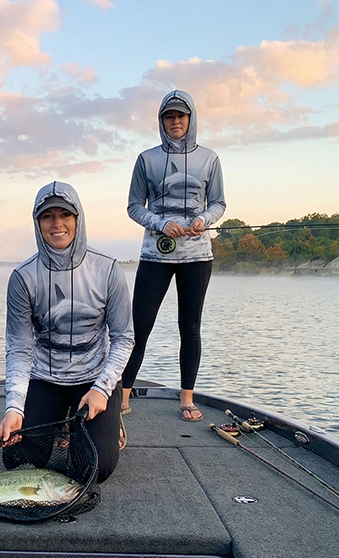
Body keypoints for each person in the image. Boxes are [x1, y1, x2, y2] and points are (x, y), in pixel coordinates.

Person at [0, 181, 135, 482]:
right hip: (46, 377)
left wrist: (102, 389)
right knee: (18, 460)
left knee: (95, 470)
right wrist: (14, 408)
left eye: (65, 215)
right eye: (47, 216)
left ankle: (109, 422)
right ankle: (60, 419)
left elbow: (124, 337)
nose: (57, 223)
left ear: (77, 219)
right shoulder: (22, 278)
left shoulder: (108, 270)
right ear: (38, 223)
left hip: (94, 378)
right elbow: (19, 348)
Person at [121, 90, 226, 422]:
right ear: (161, 121)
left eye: (181, 116)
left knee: (190, 326)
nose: (176, 121)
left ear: (191, 119)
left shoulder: (209, 158)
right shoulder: (146, 159)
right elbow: (134, 206)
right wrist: (161, 223)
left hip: (197, 256)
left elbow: (218, 203)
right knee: (139, 327)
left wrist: (203, 221)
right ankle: (123, 395)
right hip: (155, 255)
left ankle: (187, 397)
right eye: (169, 116)